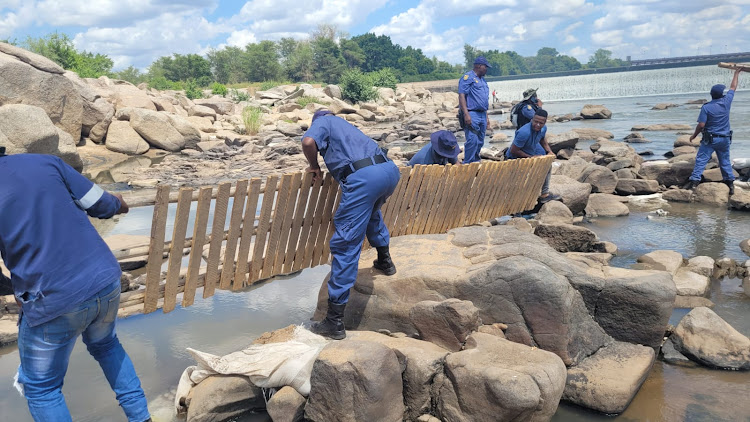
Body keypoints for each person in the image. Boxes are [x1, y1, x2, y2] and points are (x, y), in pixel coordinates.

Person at [0, 149, 151, 422]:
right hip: (105, 280)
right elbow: (101, 203)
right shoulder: (44, 161)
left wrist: (13, 288)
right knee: (106, 346)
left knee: (42, 388)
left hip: (52, 298)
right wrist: (120, 204)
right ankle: (142, 418)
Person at [302, 110, 401, 340]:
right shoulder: (347, 127)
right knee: (370, 213)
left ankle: (334, 322)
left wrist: (313, 165)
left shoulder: (324, 121)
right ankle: (385, 261)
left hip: (364, 179)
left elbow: (308, 141)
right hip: (388, 171)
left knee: (346, 242)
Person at [686, 69, 743, 194]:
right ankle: (730, 184)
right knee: (725, 161)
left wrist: (694, 135)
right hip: (725, 138)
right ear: (721, 94)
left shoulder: (706, 107)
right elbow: (733, 87)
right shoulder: (726, 102)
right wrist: (736, 74)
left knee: (701, 160)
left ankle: (694, 182)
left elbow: (701, 125)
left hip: (710, 139)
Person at [505, 109, 561, 203]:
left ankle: (544, 194)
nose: (538, 125)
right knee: (520, 180)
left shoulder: (543, 128)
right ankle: (517, 205)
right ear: (532, 119)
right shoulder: (524, 132)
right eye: (536, 121)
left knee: (547, 165)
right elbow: (513, 150)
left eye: (541, 123)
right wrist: (531, 157)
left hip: (529, 155)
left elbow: (542, 139)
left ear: (545, 122)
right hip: (514, 158)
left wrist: (549, 151)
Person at [458, 56, 491, 164]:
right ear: (479, 66)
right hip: (472, 113)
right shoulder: (468, 78)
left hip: (482, 114)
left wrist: (487, 117)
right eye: (485, 67)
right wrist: (466, 114)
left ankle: (476, 160)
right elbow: (462, 95)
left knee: (480, 140)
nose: (486, 69)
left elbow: (483, 100)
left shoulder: (483, 80)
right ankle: (468, 163)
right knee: (472, 139)